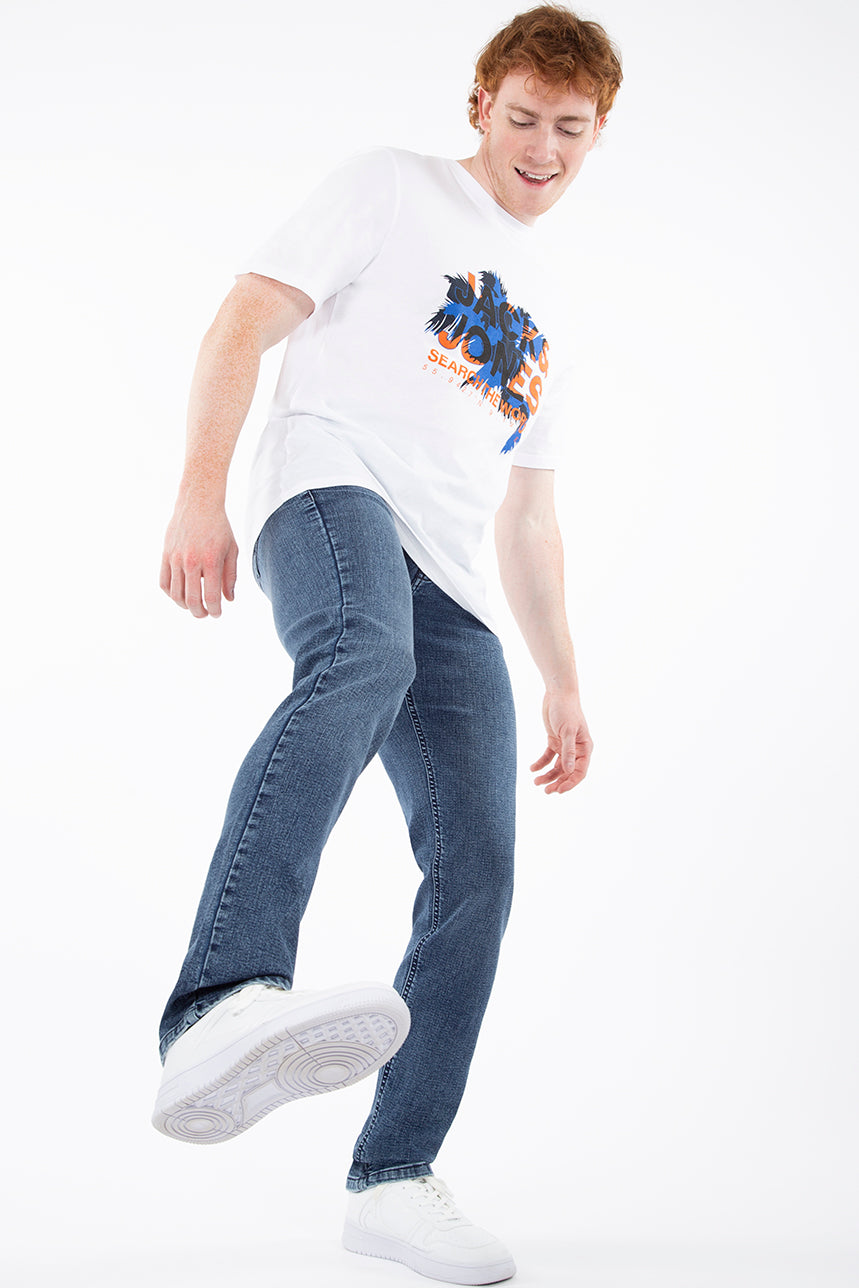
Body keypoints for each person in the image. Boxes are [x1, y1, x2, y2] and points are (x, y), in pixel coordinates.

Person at [154, 4, 622, 1283]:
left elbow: (529, 516)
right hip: (329, 483)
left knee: (480, 869)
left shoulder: (556, 308)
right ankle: (219, 1000)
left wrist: (562, 677)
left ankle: (395, 1177)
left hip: (453, 574)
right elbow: (243, 318)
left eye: (568, 129)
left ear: (597, 136)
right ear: (479, 106)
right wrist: (199, 494)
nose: (541, 149)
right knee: (364, 654)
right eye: (520, 118)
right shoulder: (391, 187)